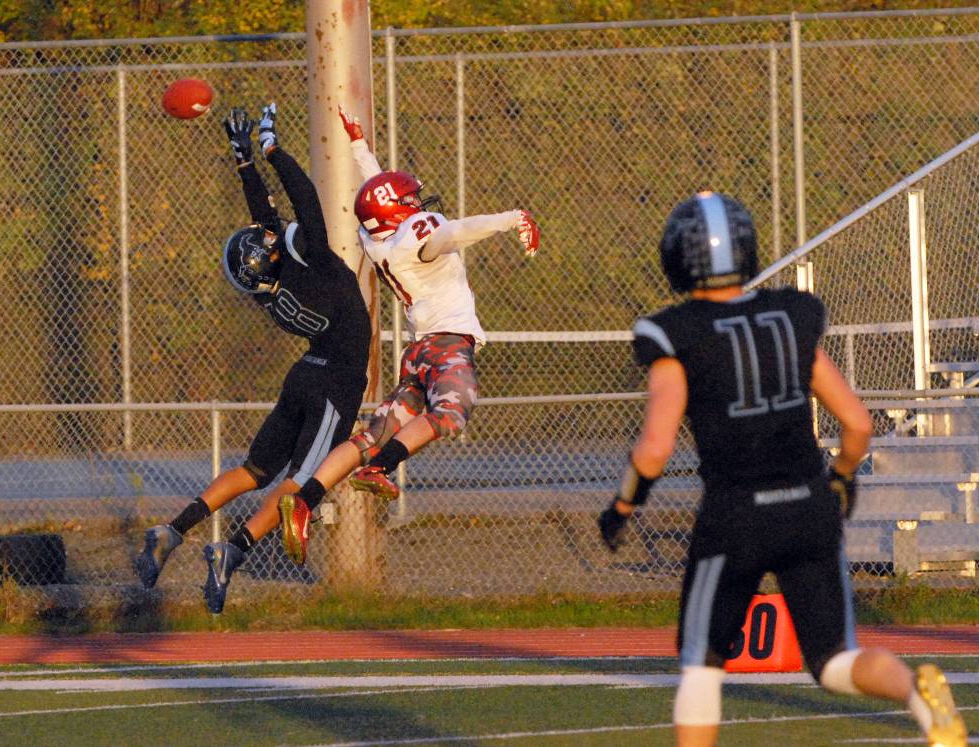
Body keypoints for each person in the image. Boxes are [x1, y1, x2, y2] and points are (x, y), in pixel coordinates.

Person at [597, 191, 967, 747]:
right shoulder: (791, 317)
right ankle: (917, 693)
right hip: (808, 505)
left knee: (702, 665)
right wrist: (840, 478)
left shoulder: (675, 331)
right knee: (834, 660)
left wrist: (622, 506)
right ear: (745, 250)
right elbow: (858, 424)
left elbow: (654, 447)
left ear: (677, 257)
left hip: (735, 515)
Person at [273, 104, 540, 566]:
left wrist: (360, 148)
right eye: (412, 200)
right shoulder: (420, 233)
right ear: (403, 211)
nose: (420, 204)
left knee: (374, 431)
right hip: (446, 345)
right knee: (453, 412)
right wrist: (509, 218)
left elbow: (377, 200)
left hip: (417, 353)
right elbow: (447, 234)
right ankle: (381, 466)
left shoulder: (377, 238)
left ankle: (304, 499)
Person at [134, 103, 371, 614]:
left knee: (253, 469)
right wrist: (271, 151)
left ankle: (171, 531)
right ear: (271, 259)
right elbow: (304, 202)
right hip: (336, 383)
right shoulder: (319, 269)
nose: (266, 231)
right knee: (300, 483)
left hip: (303, 375)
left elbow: (265, 218)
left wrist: (244, 164)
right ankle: (232, 551)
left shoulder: (271, 289)